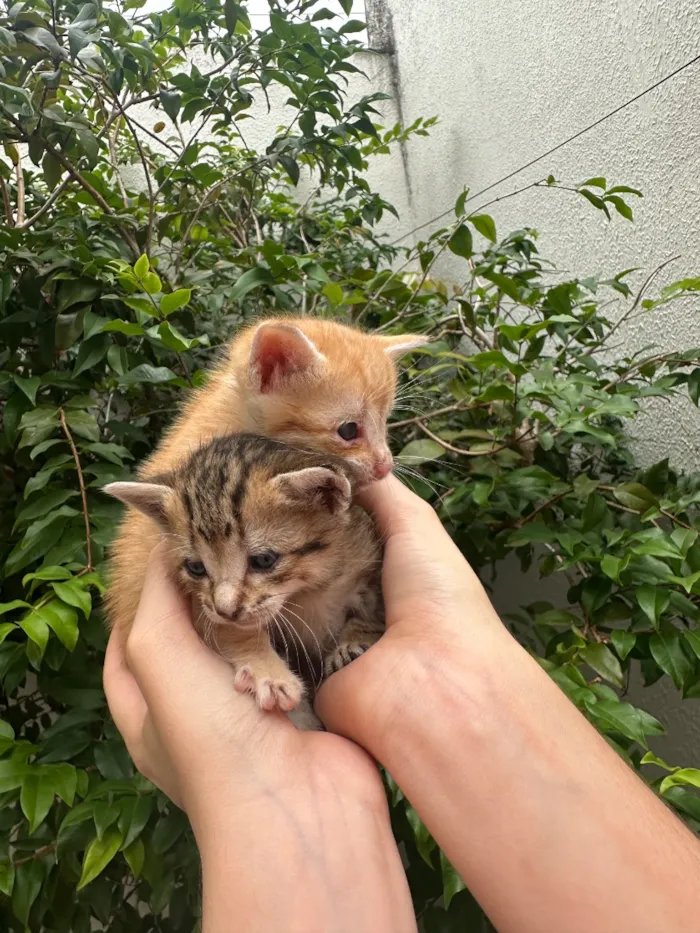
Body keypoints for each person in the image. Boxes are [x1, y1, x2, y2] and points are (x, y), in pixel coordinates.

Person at [104, 475, 700, 933]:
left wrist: (254, 793)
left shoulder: (335, 531)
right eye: (199, 570)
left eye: (262, 561)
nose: (228, 601)